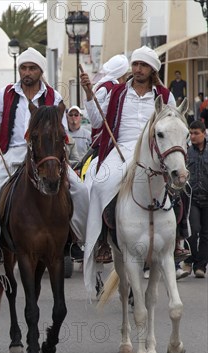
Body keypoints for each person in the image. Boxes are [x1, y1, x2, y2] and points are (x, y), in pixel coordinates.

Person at [0, 47, 89, 301]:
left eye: (31, 68)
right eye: (23, 68)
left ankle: (78, 240)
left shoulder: (54, 96)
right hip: (12, 153)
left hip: (45, 155)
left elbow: (63, 130)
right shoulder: (7, 94)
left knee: (80, 190)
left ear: (40, 71)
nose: (26, 73)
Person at [80, 46, 177, 293]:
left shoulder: (166, 95)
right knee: (100, 184)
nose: (137, 69)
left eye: (143, 65)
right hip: (121, 147)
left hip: (153, 152)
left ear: (153, 69)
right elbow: (96, 122)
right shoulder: (118, 92)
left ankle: (179, 239)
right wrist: (89, 95)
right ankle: (103, 241)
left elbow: (175, 125)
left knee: (178, 187)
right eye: (135, 64)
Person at [183, 120, 208, 278]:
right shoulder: (185, 152)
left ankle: (201, 266)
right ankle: (190, 260)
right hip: (191, 198)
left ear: (204, 133)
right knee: (193, 230)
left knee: (206, 234)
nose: (192, 136)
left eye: (196, 133)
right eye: (190, 133)